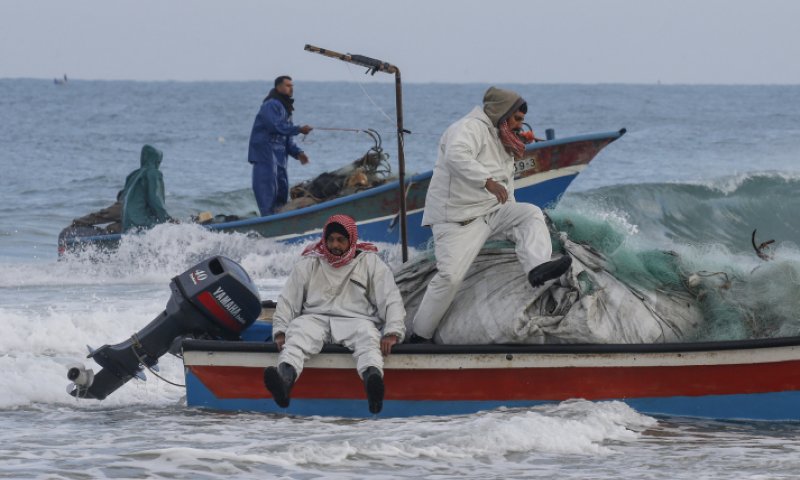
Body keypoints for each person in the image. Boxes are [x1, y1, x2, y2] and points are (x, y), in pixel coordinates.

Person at [409, 87, 572, 344]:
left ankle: (537, 267)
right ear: (501, 113)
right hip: (458, 220)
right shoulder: (468, 128)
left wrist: (509, 210)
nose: (520, 125)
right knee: (449, 278)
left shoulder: (502, 137)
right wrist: (486, 182)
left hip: (491, 213)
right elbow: (456, 156)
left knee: (529, 214)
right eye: (516, 118)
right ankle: (419, 335)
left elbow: (506, 184)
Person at [263, 214, 406, 414]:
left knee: (368, 338)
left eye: (340, 240)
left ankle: (373, 388)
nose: (335, 245)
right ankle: (284, 385)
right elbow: (288, 301)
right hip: (314, 318)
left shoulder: (371, 263)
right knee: (297, 335)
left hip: (357, 320)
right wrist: (280, 331)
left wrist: (392, 332)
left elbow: (390, 299)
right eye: (330, 240)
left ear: (351, 240)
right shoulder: (310, 263)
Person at [248, 75, 313, 216]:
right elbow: (274, 126)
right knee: (267, 189)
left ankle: (281, 217)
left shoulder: (286, 109)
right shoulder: (271, 104)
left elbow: (287, 139)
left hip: (280, 156)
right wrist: (299, 129)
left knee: (282, 189)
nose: (291, 88)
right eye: (288, 85)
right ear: (278, 87)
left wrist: (298, 153)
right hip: (265, 153)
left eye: (292, 86)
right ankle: (268, 219)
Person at [121, 144, 172, 232]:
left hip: (127, 224)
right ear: (156, 161)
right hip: (142, 223)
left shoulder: (133, 175)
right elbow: (155, 201)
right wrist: (168, 220)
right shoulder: (153, 173)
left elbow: (121, 198)